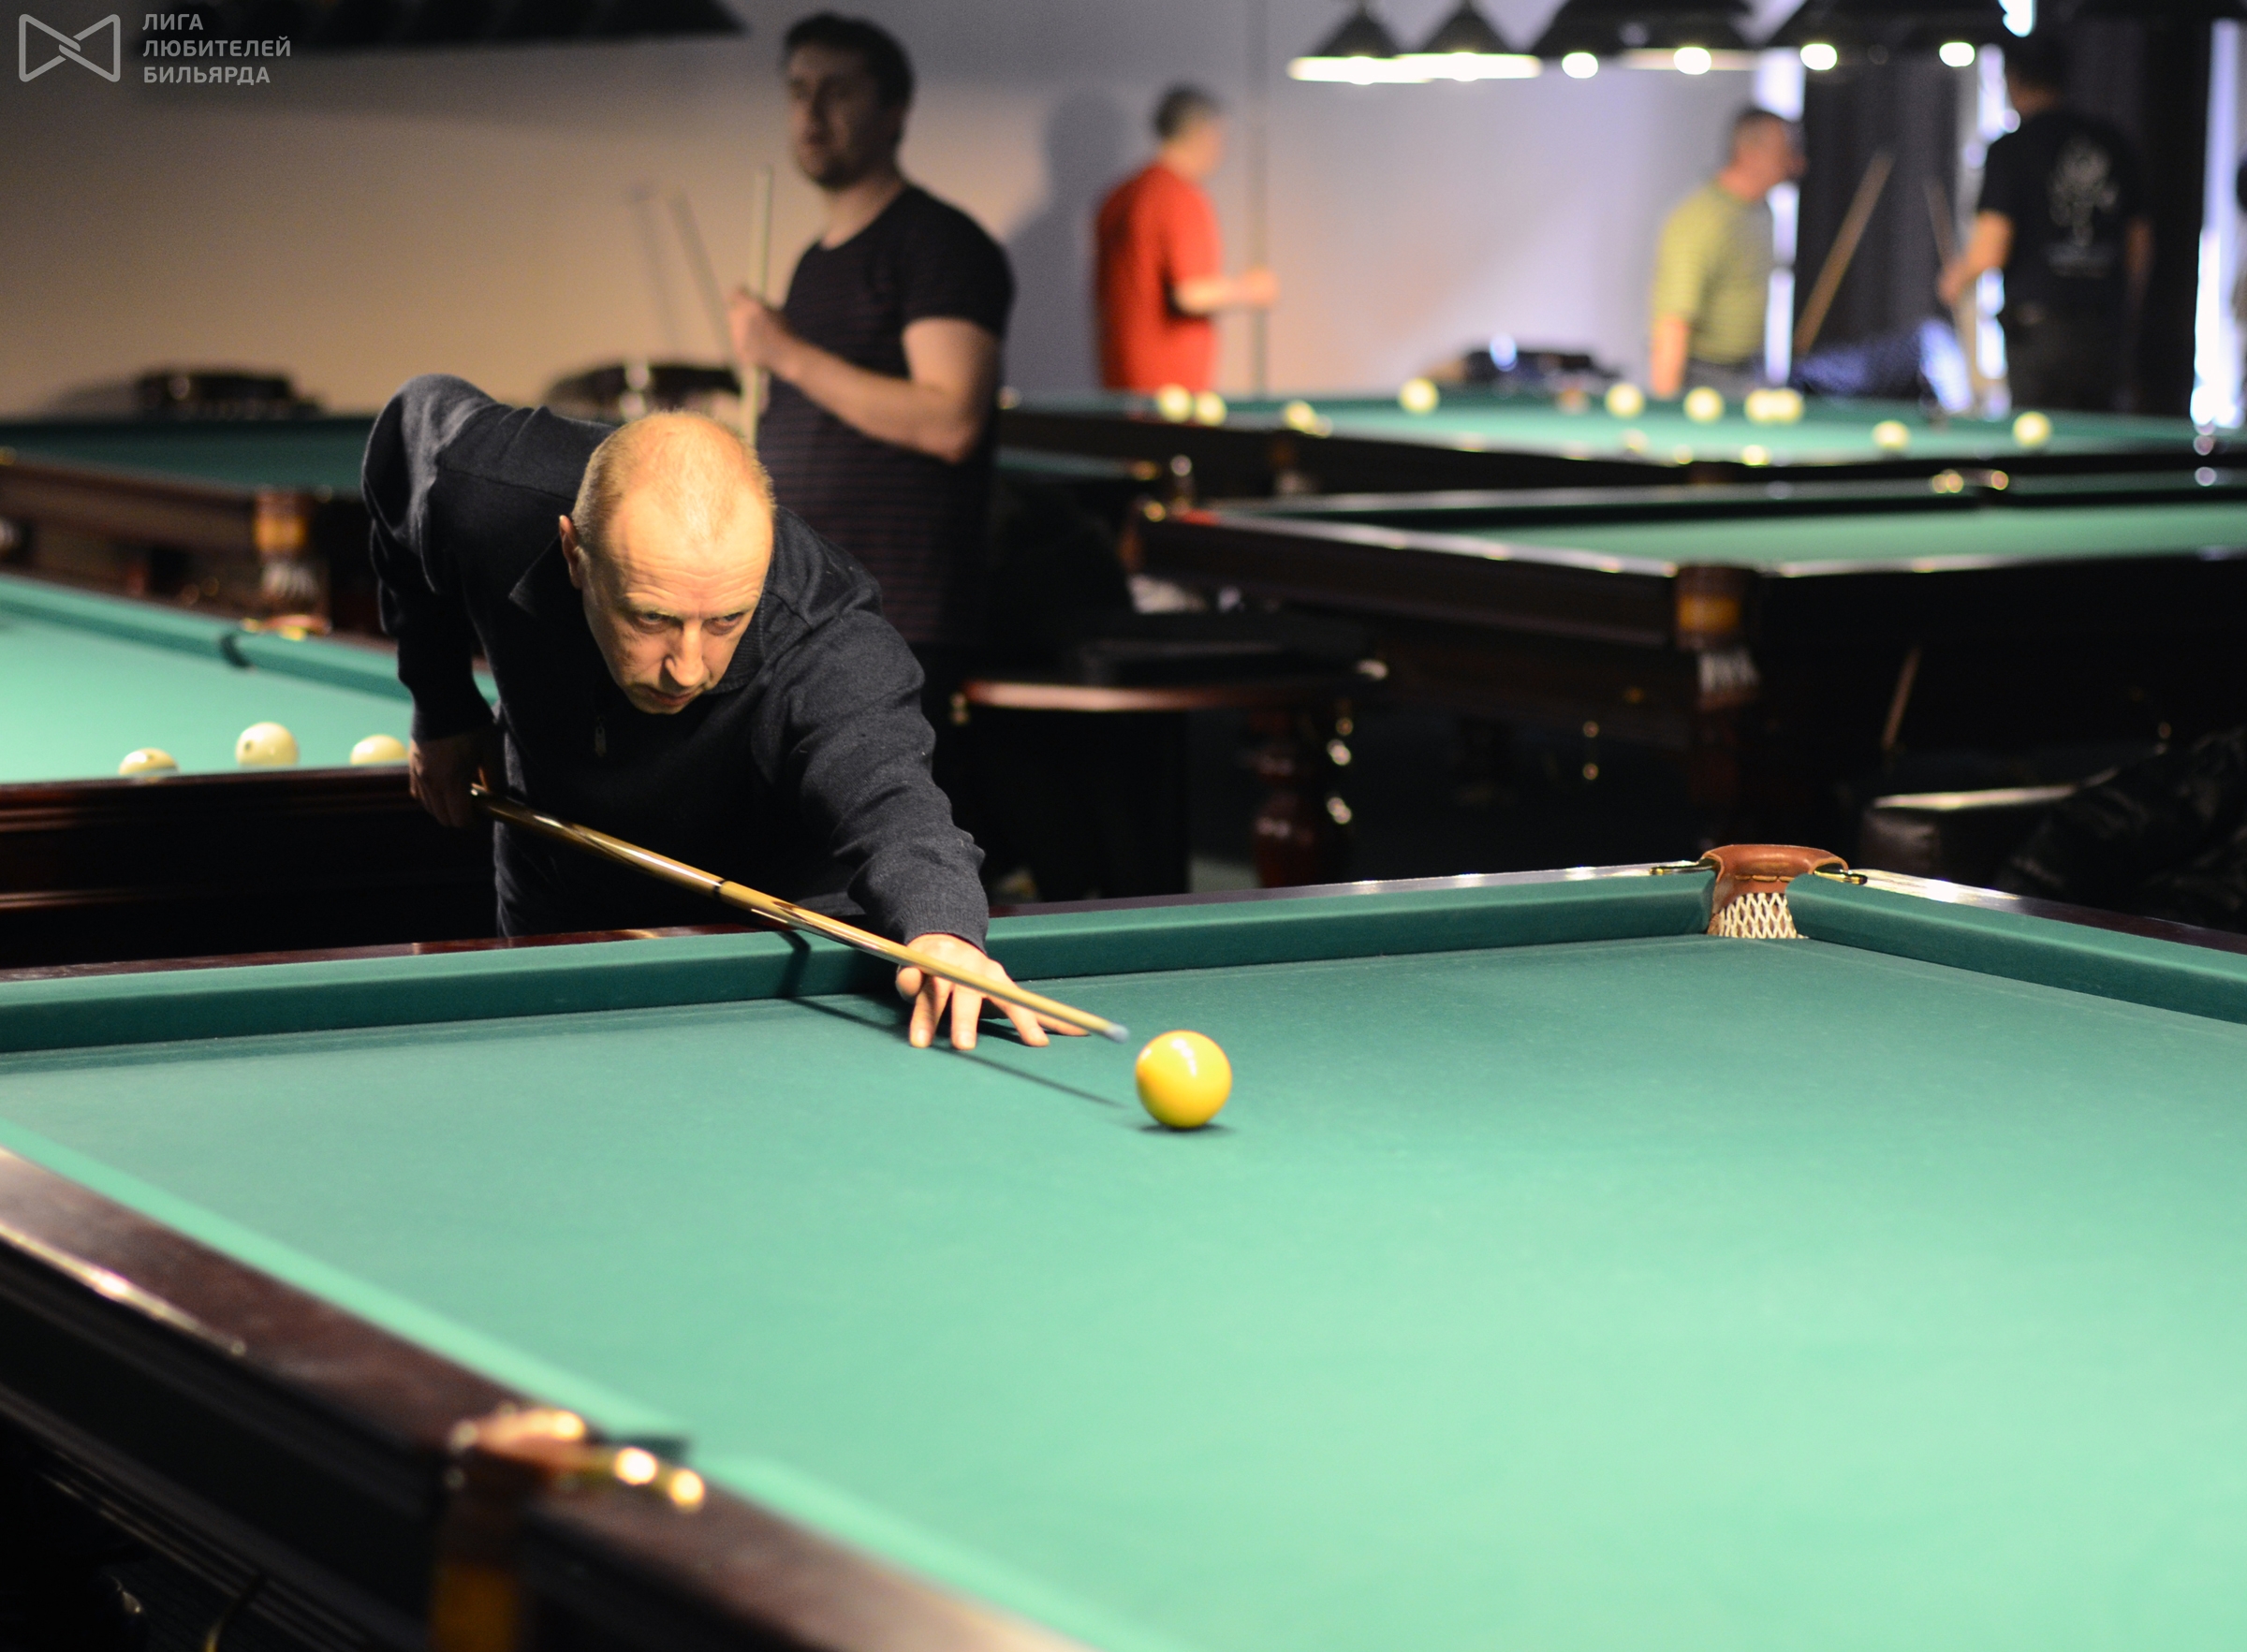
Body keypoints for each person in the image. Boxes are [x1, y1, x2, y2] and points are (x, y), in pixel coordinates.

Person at [365, 374, 1074, 1053]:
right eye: (652, 618)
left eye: (726, 619)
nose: (688, 667)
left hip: (772, 935)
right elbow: (406, 427)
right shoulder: (487, 491)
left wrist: (944, 930)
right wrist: (442, 703)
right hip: (561, 870)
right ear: (575, 554)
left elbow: (896, 801)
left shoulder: (828, 642)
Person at [727, 13, 1012, 799]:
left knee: (883, 839)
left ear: (894, 111)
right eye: (798, 91)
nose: (812, 113)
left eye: (838, 91)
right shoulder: (813, 264)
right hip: (807, 609)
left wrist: (786, 352)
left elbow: (951, 420)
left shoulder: (938, 242)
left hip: (897, 616)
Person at [1937, 33, 2151, 412]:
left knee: (2038, 437)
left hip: (2039, 333)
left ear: (2013, 80)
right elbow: (2139, 245)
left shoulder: (2011, 149)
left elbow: (1990, 249)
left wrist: (1958, 277)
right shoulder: (2113, 142)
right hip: (2105, 330)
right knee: (2098, 440)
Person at [1094, 85, 1278, 393]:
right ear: (1202, 133)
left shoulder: (1118, 196)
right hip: (1171, 382)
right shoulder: (1180, 196)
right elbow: (1190, 293)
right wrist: (1251, 289)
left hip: (1120, 375)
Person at [1647, 107, 1802, 402]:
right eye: (1786, 152)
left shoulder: (1763, 212)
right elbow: (1672, 324)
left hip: (1750, 374)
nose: (1797, 163)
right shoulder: (1698, 221)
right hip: (1702, 381)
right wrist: (1665, 409)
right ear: (1750, 153)